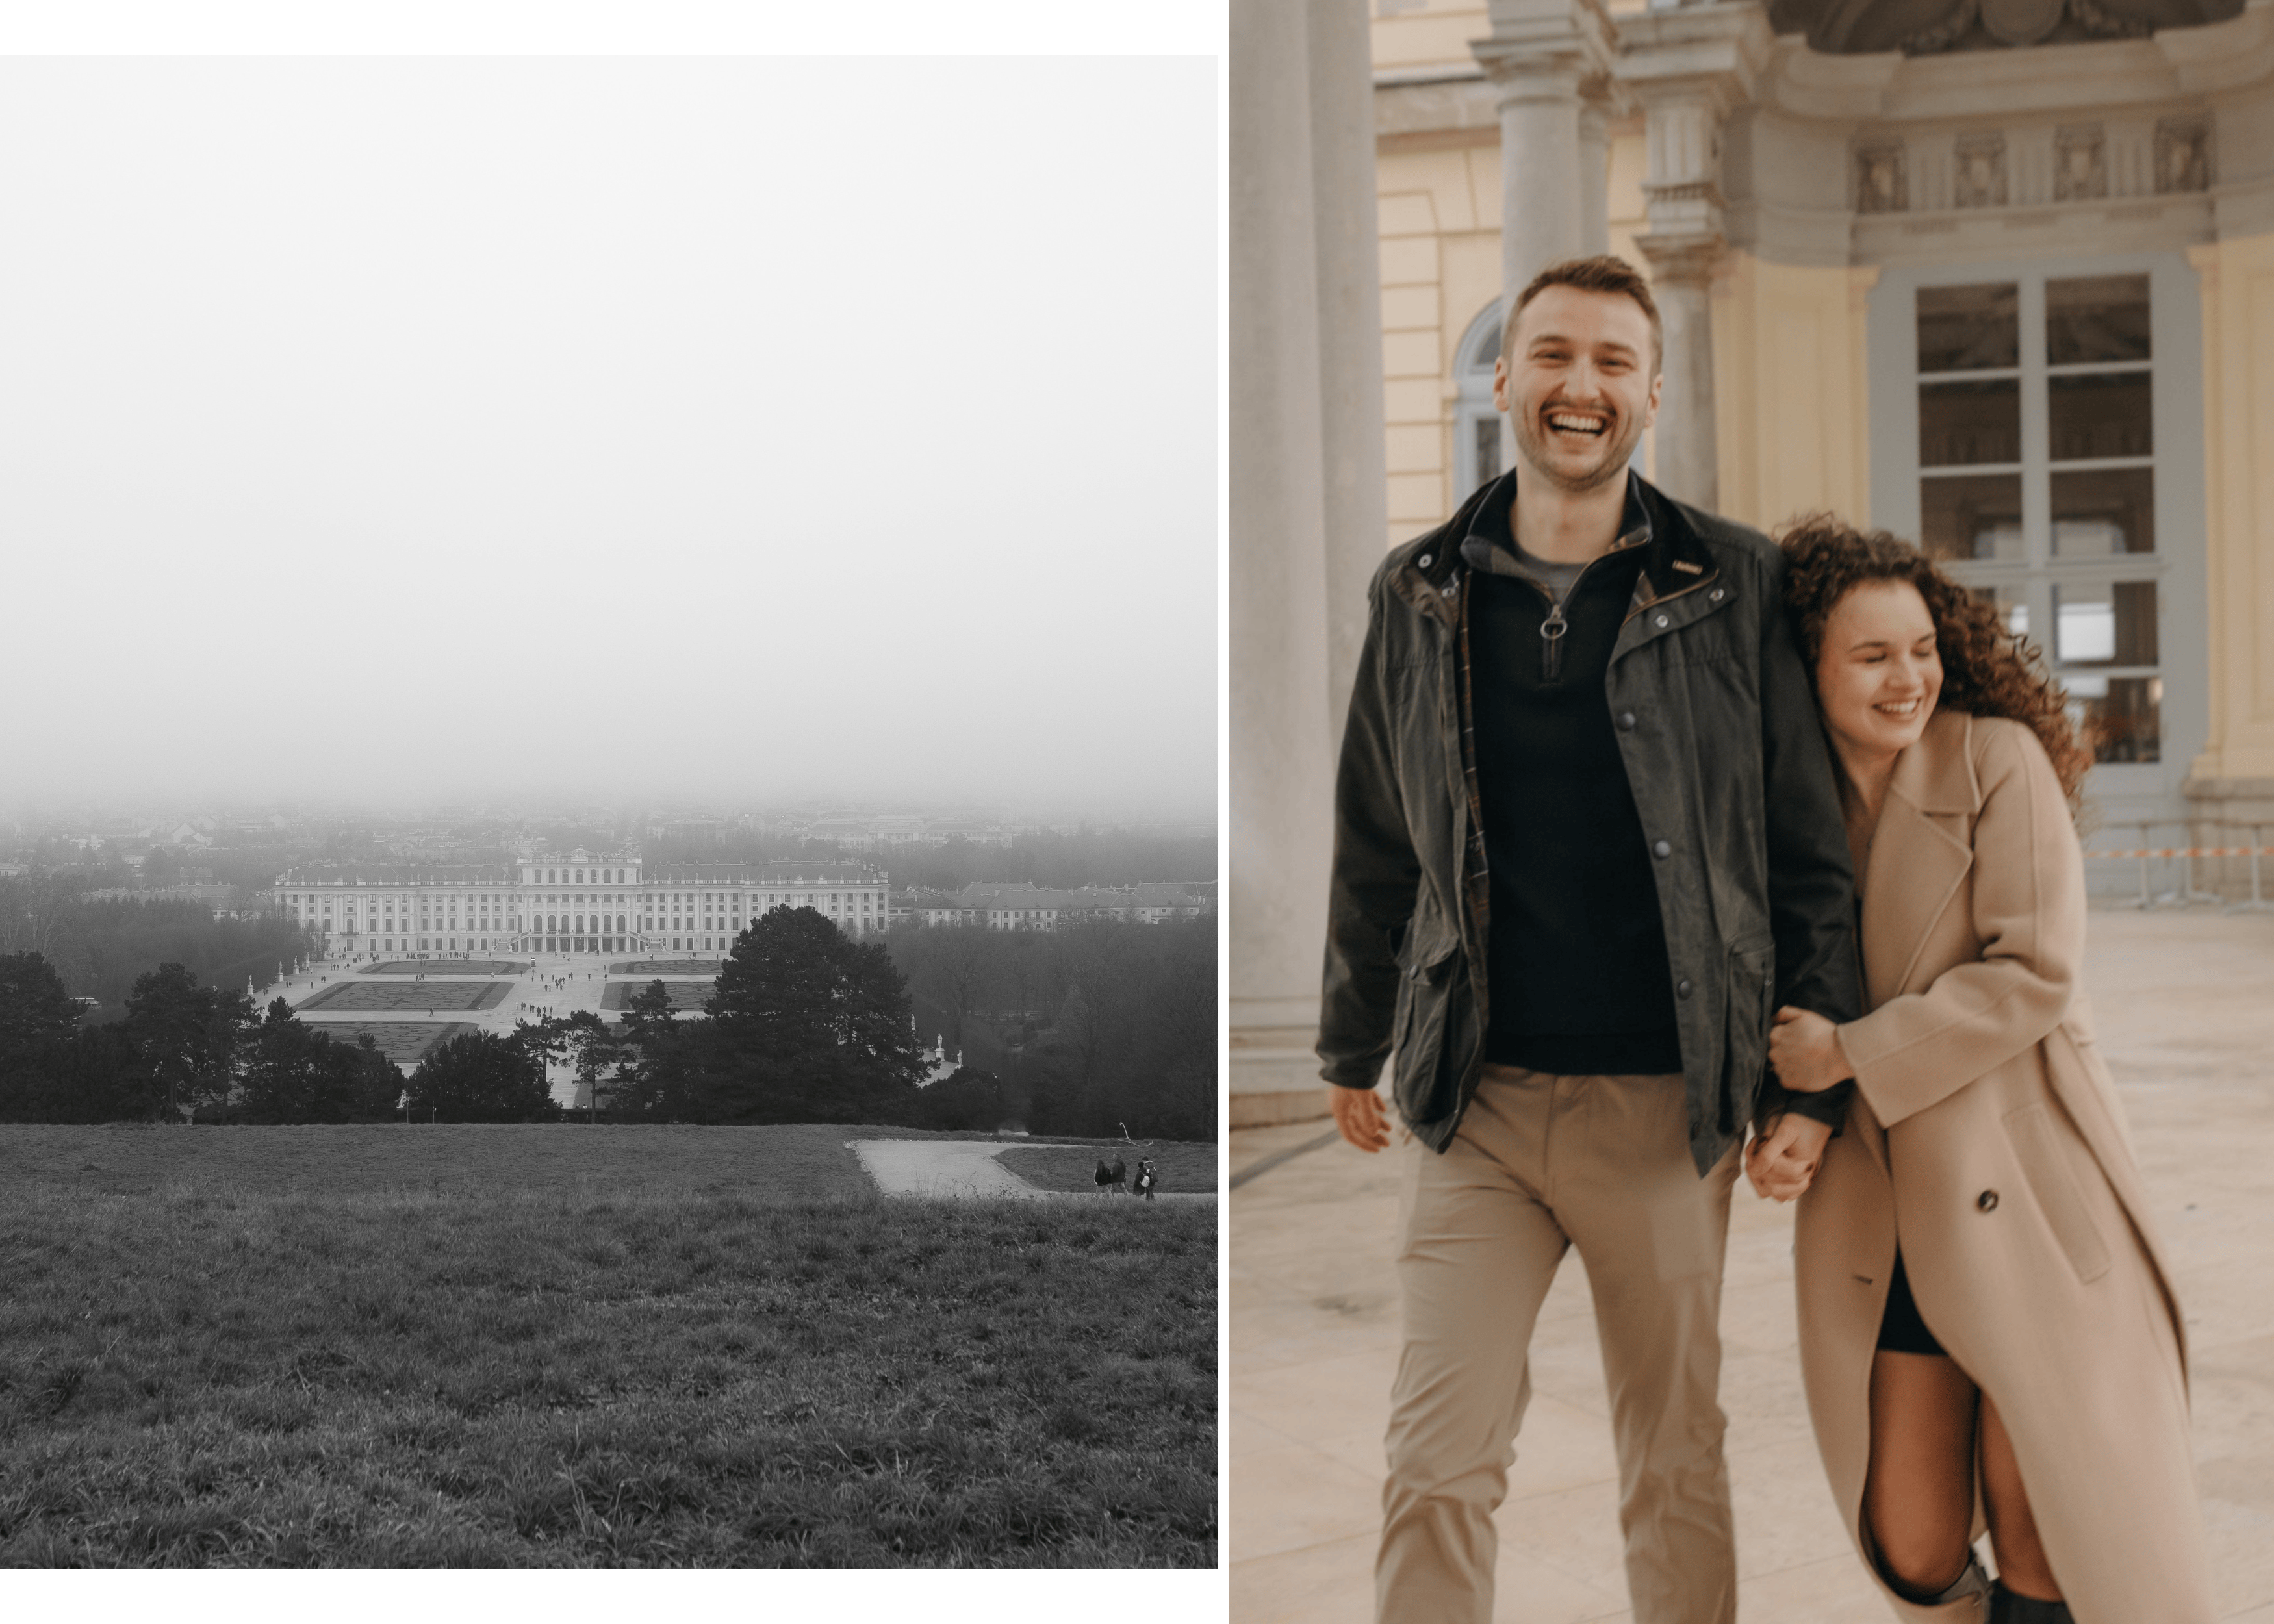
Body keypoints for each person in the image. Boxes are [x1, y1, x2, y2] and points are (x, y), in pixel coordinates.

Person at [1318, 253, 1861, 1624]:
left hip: (1667, 1107)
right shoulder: (1416, 588)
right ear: (1504, 380)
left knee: (1671, 1458)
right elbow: (1377, 831)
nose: (1581, 385)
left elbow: (1805, 852)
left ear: (1652, 394)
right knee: (1434, 1465)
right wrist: (1349, 1033)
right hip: (1475, 1103)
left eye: (1614, 362)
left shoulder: (1736, 581)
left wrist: (1810, 1079)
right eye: (1552, 354)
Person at [1752, 520, 2214, 1623]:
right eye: (1872, 656)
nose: (1908, 676)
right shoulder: (1775, 808)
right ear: (1806, 666)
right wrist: (1781, 1108)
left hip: (2026, 1195)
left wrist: (1849, 1057)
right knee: (1909, 1545)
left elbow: (2034, 973)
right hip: (1885, 1212)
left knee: (2044, 1527)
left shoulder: (1994, 759)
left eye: (1920, 648)